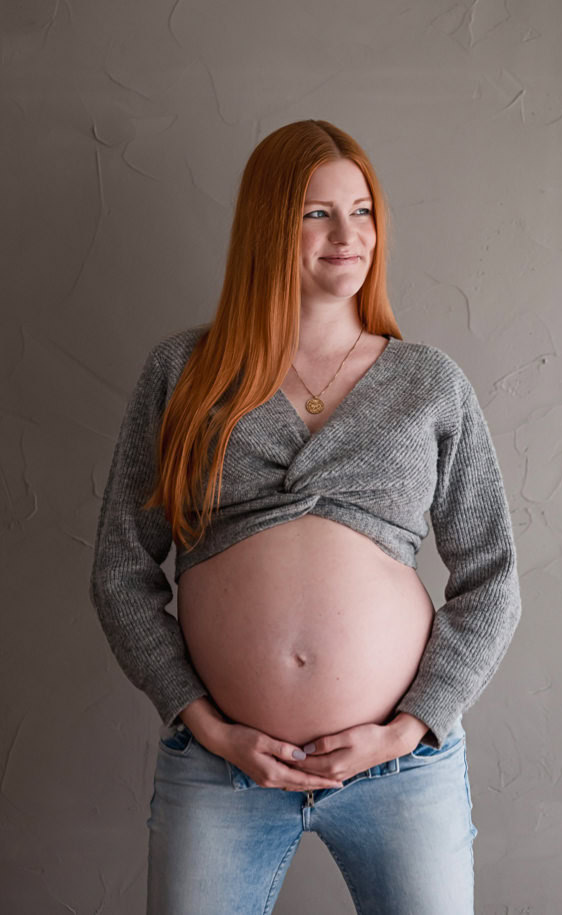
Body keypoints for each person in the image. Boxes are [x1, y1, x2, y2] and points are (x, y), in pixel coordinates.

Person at [90, 119, 520, 913]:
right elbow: (120, 569)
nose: (347, 235)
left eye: (362, 211)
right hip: (221, 769)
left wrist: (409, 727)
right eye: (316, 213)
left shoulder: (429, 382)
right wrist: (205, 722)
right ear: (267, 226)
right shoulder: (183, 374)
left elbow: (493, 578)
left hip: (400, 770)